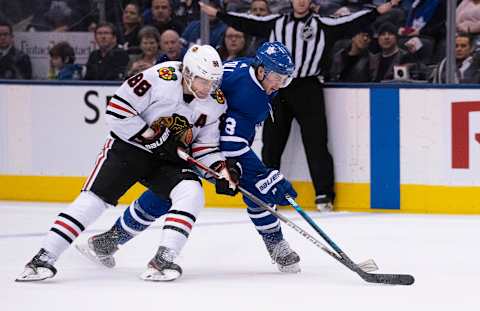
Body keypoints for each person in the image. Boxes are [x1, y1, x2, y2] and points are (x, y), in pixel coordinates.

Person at [16, 44, 235, 282]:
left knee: (192, 191)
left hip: (166, 160)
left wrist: (220, 170)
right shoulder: (160, 77)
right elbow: (117, 109)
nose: (209, 87)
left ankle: (164, 259)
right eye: (204, 80)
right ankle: (43, 258)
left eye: (214, 81)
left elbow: (205, 147)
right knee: (93, 202)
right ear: (189, 74)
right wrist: (153, 137)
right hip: (128, 150)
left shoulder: (215, 101)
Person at [78, 41, 301, 275]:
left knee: (167, 193)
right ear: (262, 70)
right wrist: (264, 176)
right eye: (277, 77)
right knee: (257, 188)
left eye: (285, 79)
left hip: (200, 133)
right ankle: (277, 247)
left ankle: (108, 242)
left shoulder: (247, 67)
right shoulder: (251, 98)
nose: (280, 84)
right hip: (205, 142)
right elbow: (232, 145)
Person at [199, 0, 400, 211]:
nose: (301, 1)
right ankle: (266, 190)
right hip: (275, 88)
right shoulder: (275, 22)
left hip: (308, 88)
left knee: (316, 142)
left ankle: (324, 194)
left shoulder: (323, 24)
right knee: (272, 141)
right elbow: (247, 22)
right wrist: (219, 14)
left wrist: (379, 10)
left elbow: (352, 22)